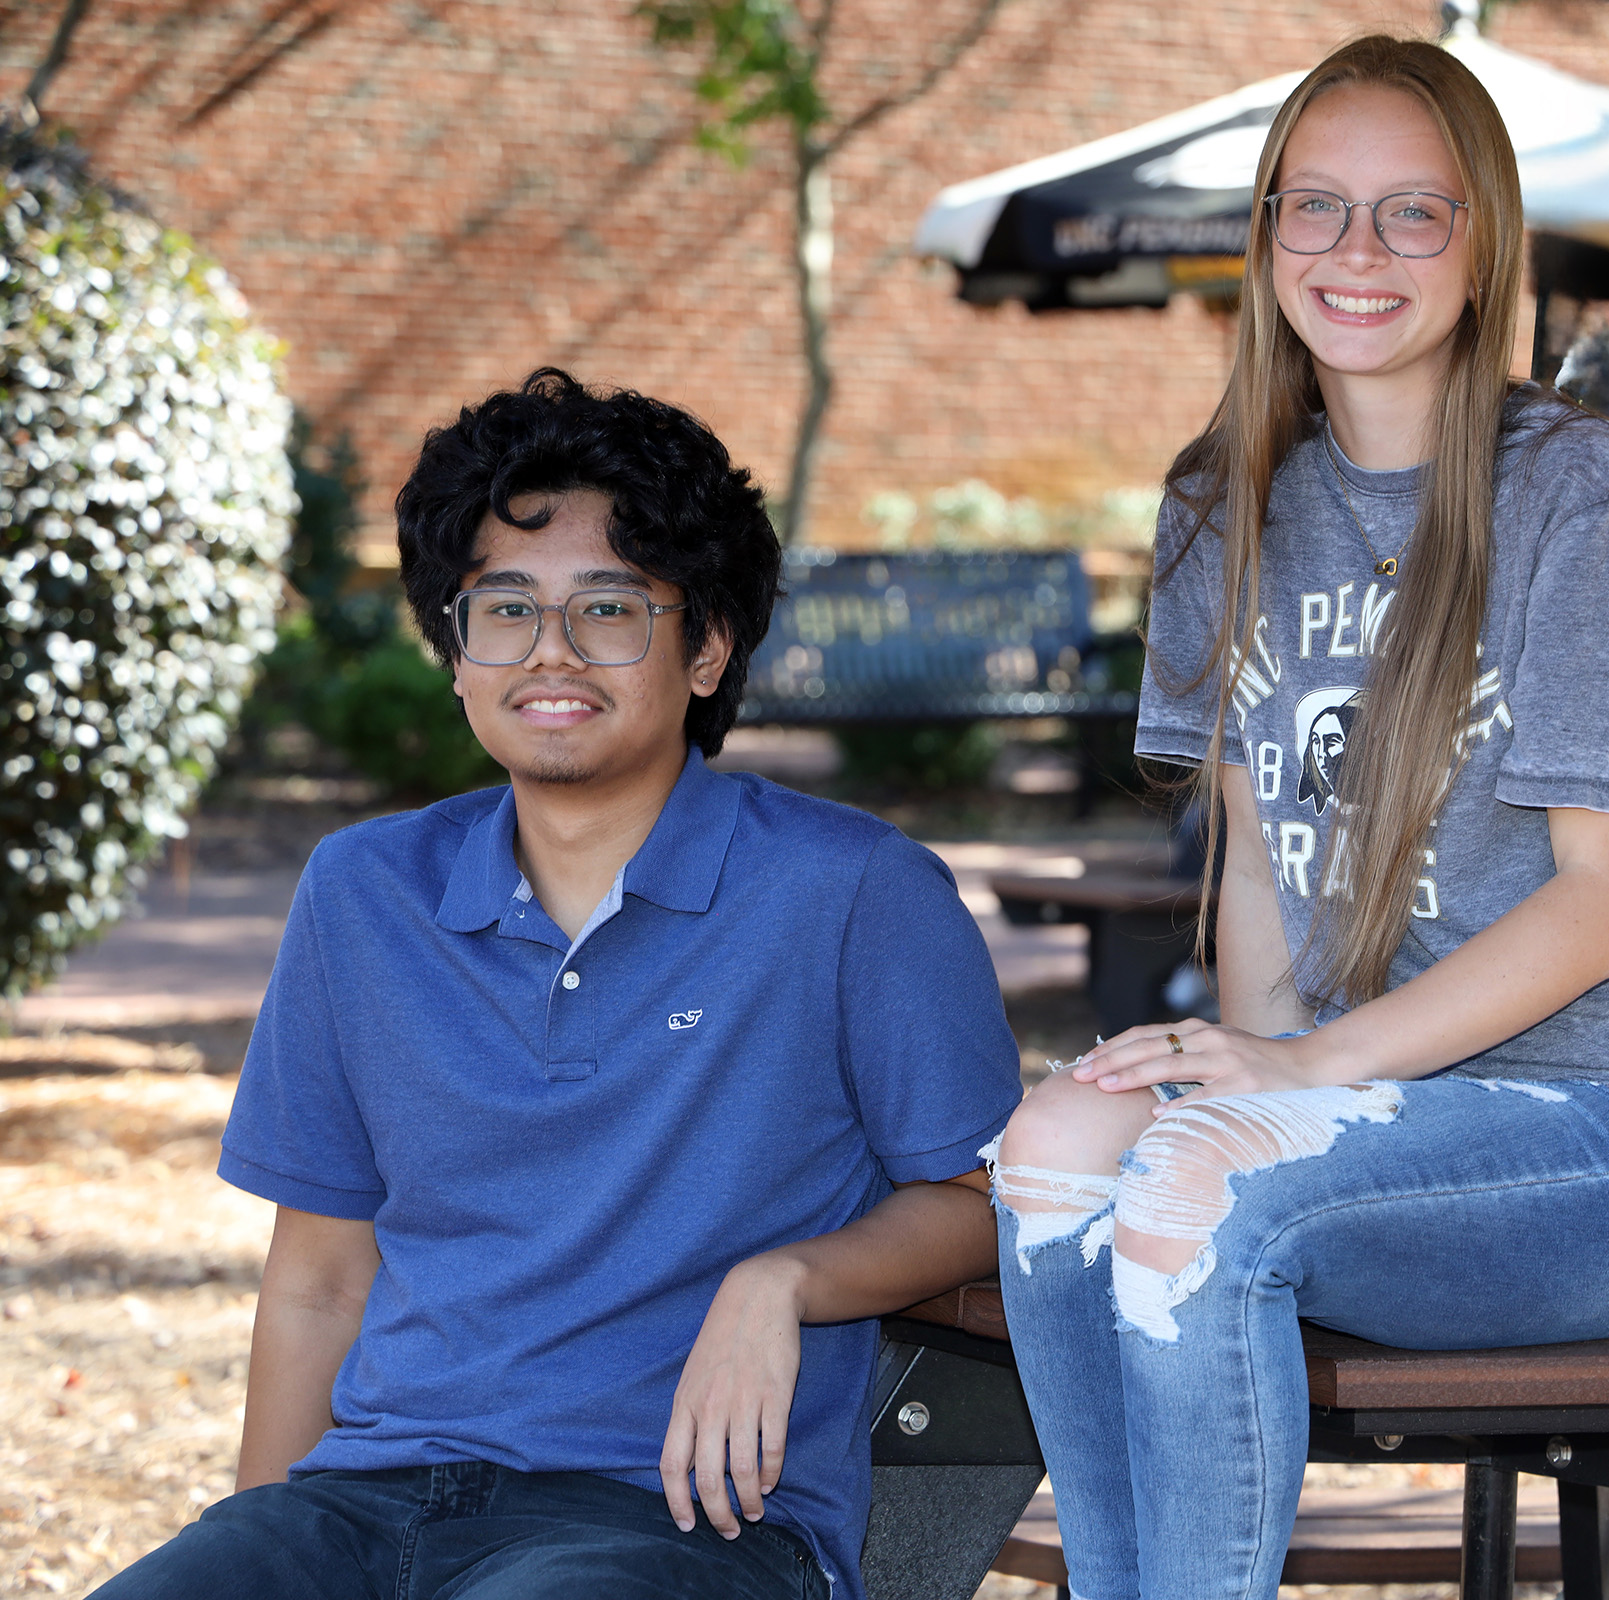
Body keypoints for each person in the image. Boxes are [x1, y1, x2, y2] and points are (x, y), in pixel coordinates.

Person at [986, 36, 1609, 1600]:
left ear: (1483, 247)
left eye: (1414, 212)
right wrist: (1246, 1069)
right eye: (1317, 206)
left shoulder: (1582, 500)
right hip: (1370, 1114)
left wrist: (1299, 1077)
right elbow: (1263, 870)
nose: (1358, 251)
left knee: (1200, 1184)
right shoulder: (1224, 502)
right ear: (1268, 229)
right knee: (1059, 1138)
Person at [100, 370, 1023, 1600]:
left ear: (706, 648)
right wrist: (263, 1543)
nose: (550, 649)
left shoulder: (852, 889)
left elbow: (987, 1199)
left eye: (608, 608)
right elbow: (319, 1280)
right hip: (366, 1504)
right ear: (454, 650)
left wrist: (785, 1279)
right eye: (503, 608)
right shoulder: (362, 891)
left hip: (676, 1529)